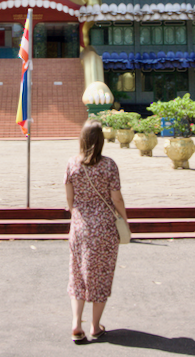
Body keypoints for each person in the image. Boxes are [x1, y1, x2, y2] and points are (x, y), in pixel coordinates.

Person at [65, 119, 128, 343]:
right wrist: (125, 219)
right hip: (104, 228)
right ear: (101, 141)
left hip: (80, 227)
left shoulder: (72, 164)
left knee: (78, 275)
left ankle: (75, 324)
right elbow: (116, 198)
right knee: (101, 276)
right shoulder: (109, 165)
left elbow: (70, 200)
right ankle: (94, 326)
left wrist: (79, 215)